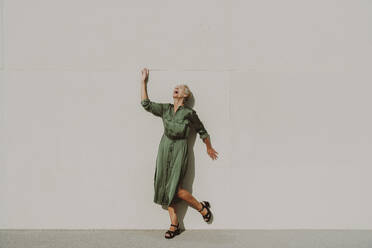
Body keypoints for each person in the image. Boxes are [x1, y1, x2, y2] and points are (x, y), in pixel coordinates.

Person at [140, 68, 219, 239]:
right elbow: (146, 105)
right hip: (164, 147)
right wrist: (143, 82)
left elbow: (202, 131)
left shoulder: (189, 114)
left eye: (179, 88)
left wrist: (208, 147)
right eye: (175, 88)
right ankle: (177, 223)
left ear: (185, 95)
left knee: (176, 188)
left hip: (180, 150)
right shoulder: (165, 109)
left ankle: (199, 209)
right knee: (164, 185)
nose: (175, 89)